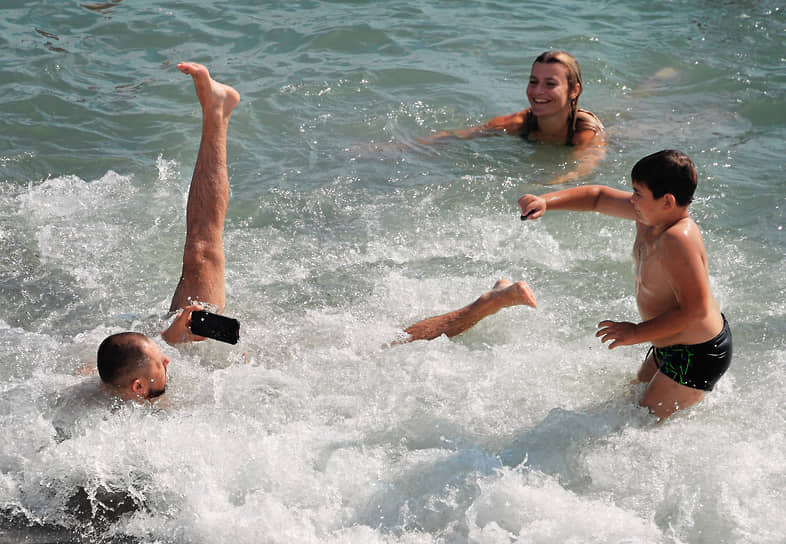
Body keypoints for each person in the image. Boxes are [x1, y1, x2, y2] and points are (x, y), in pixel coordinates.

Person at [96, 63, 538, 402]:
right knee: (393, 345)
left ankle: (218, 111)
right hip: (281, 367)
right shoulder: (140, 406)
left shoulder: (158, 371)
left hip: (264, 351)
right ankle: (491, 300)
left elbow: (190, 326)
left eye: (161, 360)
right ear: (138, 388)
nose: (166, 362)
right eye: (160, 365)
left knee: (200, 250)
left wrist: (198, 336)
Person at [518, 150, 732, 420]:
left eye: (638, 194)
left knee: (639, 424)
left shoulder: (679, 239)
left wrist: (636, 332)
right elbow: (597, 197)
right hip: (669, 343)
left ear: (667, 201)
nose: (632, 200)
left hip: (697, 353)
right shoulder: (649, 216)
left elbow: (695, 312)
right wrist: (545, 201)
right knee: (627, 407)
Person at [416, 50, 606, 185]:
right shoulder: (518, 123)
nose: (538, 91)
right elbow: (456, 136)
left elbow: (584, 167)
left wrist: (547, 185)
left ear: (574, 90)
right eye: (533, 81)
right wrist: (403, 149)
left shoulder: (584, 132)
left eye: (550, 84)